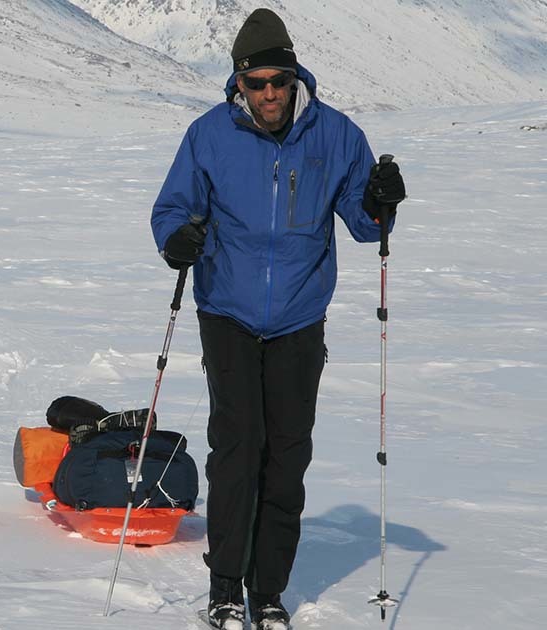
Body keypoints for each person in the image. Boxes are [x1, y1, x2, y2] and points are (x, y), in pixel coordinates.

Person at [149, 8, 405, 630]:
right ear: (238, 82)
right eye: (255, 82)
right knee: (237, 449)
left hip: (298, 315)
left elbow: (365, 223)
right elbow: (172, 208)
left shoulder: (337, 136)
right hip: (227, 310)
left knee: (287, 454)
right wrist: (176, 240)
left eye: (278, 81)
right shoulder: (207, 136)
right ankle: (225, 587)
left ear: (294, 78)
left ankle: (269, 592)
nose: (268, 93)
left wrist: (382, 202)